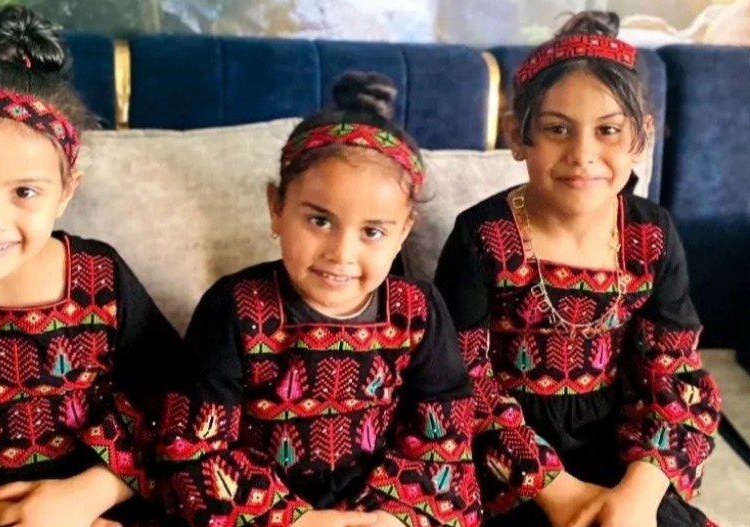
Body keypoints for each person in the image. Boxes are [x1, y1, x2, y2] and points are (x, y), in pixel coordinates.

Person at [433, 11, 721, 527]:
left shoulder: (652, 235)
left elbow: (675, 372)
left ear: (640, 138)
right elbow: (460, 377)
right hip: (506, 458)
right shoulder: (482, 236)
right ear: (517, 136)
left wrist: (637, 496)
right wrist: (559, 493)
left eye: (608, 130)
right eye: (557, 129)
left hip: (622, 449)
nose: (582, 154)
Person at [157, 71, 481, 527]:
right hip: (262, 514)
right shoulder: (236, 307)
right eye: (320, 221)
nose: (341, 253)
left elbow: (443, 437)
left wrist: (387, 517)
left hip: (382, 513)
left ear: (403, 232)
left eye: (372, 232)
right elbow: (194, 447)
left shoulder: (417, 312)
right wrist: (297, 520)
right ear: (277, 207)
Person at [0, 6, 179, 526]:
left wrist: (86, 498)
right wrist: (6, 519)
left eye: (24, 192)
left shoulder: (100, 278)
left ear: (65, 192)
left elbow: (167, 398)